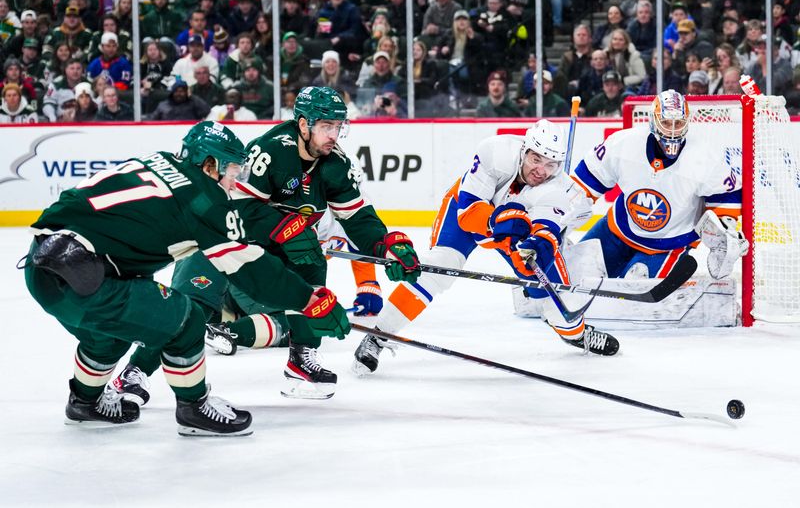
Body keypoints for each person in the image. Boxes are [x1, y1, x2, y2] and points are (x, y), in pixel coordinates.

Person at [23, 121, 349, 435]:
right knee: (187, 318)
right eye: (232, 171)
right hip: (84, 280)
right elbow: (250, 269)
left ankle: (84, 402)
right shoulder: (204, 200)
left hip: (43, 267)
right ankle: (194, 408)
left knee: (109, 334)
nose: (235, 183)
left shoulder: (160, 161)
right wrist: (307, 299)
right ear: (210, 164)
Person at [352, 119, 618, 376]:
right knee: (438, 268)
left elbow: (545, 233)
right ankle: (377, 336)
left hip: (515, 229)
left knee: (549, 288)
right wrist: (496, 220)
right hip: (469, 214)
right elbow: (467, 211)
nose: (542, 170)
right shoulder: (496, 151)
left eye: (551, 163)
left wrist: (536, 249)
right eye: (536, 159)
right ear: (525, 150)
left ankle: (575, 333)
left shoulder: (558, 188)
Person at [222, 86, 420, 398]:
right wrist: (287, 230)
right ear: (303, 124)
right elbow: (239, 210)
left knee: (312, 264)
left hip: (288, 247)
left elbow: (356, 217)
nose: (333, 135)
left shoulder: (336, 164)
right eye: (326, 126)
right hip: (240, 245)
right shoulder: (269, 150)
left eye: (338, 127)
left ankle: (301, 359)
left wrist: (384, 245)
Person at [572, 89, 746, 282]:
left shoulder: (704, 157)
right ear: (653, 121)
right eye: (666, 123)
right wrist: (560, 216)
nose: (672, 130)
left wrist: (725, 226)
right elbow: (587, 180)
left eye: (678, 123)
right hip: (616, 231)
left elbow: (726, 193)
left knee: (634, 285)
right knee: (573, 273)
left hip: (669, 245)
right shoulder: (623, 143)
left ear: (687, 122)